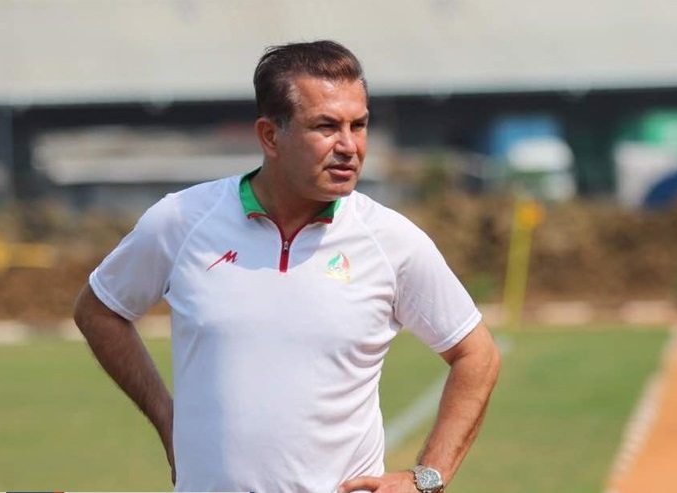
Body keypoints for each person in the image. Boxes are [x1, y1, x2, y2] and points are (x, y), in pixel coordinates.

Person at [73, 39, 500, 493]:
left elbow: (477, 355)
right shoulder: (181, 221)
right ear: (270, 136)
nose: (349, 146)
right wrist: (167, 419)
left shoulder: (391, 240)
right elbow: (99, 311)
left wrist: (427, 477)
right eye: (326, 126)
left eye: (359, 125)